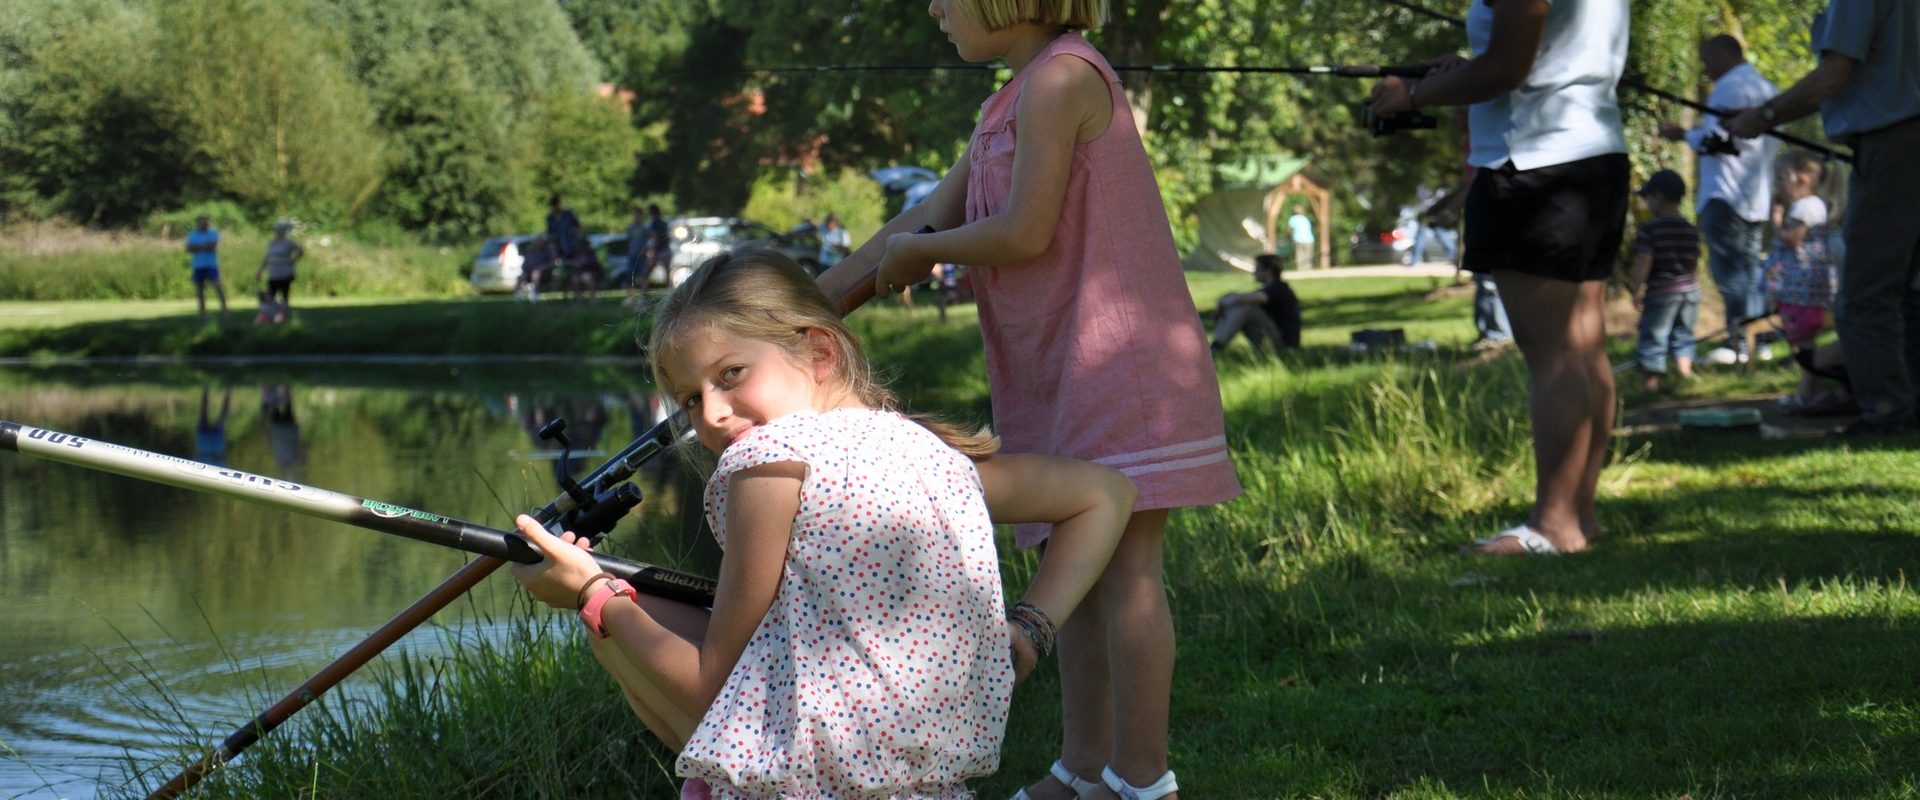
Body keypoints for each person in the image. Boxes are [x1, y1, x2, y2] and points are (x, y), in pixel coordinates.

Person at [508, 249, 1135, 798]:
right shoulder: (933, 454)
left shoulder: (768, 459)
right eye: (691, 398)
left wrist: (593, 597)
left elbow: (708, 691)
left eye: (731, 375)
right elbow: (1105, 494)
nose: (714, 415)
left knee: (612, 628)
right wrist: (1027, 630)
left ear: (820, 350)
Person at [820, 3, 1243, 797]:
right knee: (1069, 568)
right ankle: (1083, 772)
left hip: (1121, 366)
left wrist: (923, 256)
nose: (936, 8)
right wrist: (814, 307)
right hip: (1059, 367)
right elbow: (921, 216)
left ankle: (1143, 778)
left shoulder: (1063, 79)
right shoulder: (1005, 103)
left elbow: (1024, 232)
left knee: (1129, 573)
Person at [1371, 0, 1629, 555]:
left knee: (1555, 355)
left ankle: (1553, 527)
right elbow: (1534, 55)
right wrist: (1461, 68)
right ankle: (1580, 517)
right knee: (1584, 349)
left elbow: (1506, 69)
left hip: (1536, 166)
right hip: (1595, 157)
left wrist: (1411, 95)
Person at [1725, 0, 1920, 436]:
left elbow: (1834, 73)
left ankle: (1888, 414)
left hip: (1893, 144)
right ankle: (1908, 406)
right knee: (1909, 289)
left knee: (1866, 293)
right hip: (1902, 140)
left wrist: (1766, 114)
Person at [1658, 35, 1779, 366]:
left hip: (1725, 193)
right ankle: (1761, 340)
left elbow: (1718, 140)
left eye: (1708, 60)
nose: (1706, 68)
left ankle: (1737, 340)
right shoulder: (1766, 87)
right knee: (1751, 269)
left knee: (1732, 273)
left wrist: (1683, 134)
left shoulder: (1728, 87)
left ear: (1725, 55)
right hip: (1755, 197)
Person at [1764, 150, 1849, 413]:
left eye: (1780, 178)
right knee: (1804, 344)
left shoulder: (1805, 206)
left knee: (1804, 346)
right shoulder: (1814, 206)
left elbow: (1793, 239)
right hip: (1804, 291)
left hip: (1803, 293)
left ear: (1801, 178)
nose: (1778, 185)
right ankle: (1811, 393)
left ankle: (1808, 393)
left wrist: (1777, 219)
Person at [1626, 170, 1703, 391]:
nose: (1646, 203)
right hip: (1689, 289)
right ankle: (1684, 371)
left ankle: (1650, 382)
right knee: (1683, 332)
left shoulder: (1651, 228)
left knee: (1653, 334)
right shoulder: (1689, 227)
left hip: (1662, 291)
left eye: (1647, 197)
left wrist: (1637, 287)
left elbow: (1645, 259)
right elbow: (1694, 260)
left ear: (1658, 196)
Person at [1210, 253, 1301, 357]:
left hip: (1284, 344)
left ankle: (1215, 348)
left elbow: (1256, 298)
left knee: (1245, 308)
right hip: (1273, 339)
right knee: (1238, 306)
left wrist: (1227, 300)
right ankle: (1214, 347)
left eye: (1257, 269)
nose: (1254, 273)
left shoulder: (1279, 289)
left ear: (1269, 271)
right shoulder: (1270, 289)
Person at [255, 220, 303, 322]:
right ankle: (271, 314)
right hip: (273, 272)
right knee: (271, 294)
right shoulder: (272, 243)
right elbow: (267, 257)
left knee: (284, 294)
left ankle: (283, 314)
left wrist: (293, 260)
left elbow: (300, 250)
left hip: (285, 272)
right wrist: (261, 269)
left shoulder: (289, 242)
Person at [185, 215, 228, 323]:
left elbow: (212, 246)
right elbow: (189, 248)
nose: (204, 224)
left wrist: (198, 247)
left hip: (211, 265)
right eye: (201, 222)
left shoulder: (214, 233)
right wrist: (204, 246)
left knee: (217, 286)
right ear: (198, 223)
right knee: (200, 290)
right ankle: (203, 314)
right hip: (198, 266)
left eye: (205, 222)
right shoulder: (192, 234)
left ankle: (225, 311)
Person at [546, 195, 583, 266]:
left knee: (577, 265)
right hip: (560, 248)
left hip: (573, 245)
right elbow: (550, 233)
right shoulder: (550, 218)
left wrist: (580, 239)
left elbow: (579, 226)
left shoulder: (569, 214)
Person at [1286, 204, 1316, 271]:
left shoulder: (1293, 219)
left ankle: (1300, 270)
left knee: (1300, 255)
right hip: (1309, 239)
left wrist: (1288, 236)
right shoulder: (1306, 219)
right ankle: (1308, 269)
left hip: (1298, 239)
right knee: (1308, 256)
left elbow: (1290, 230)